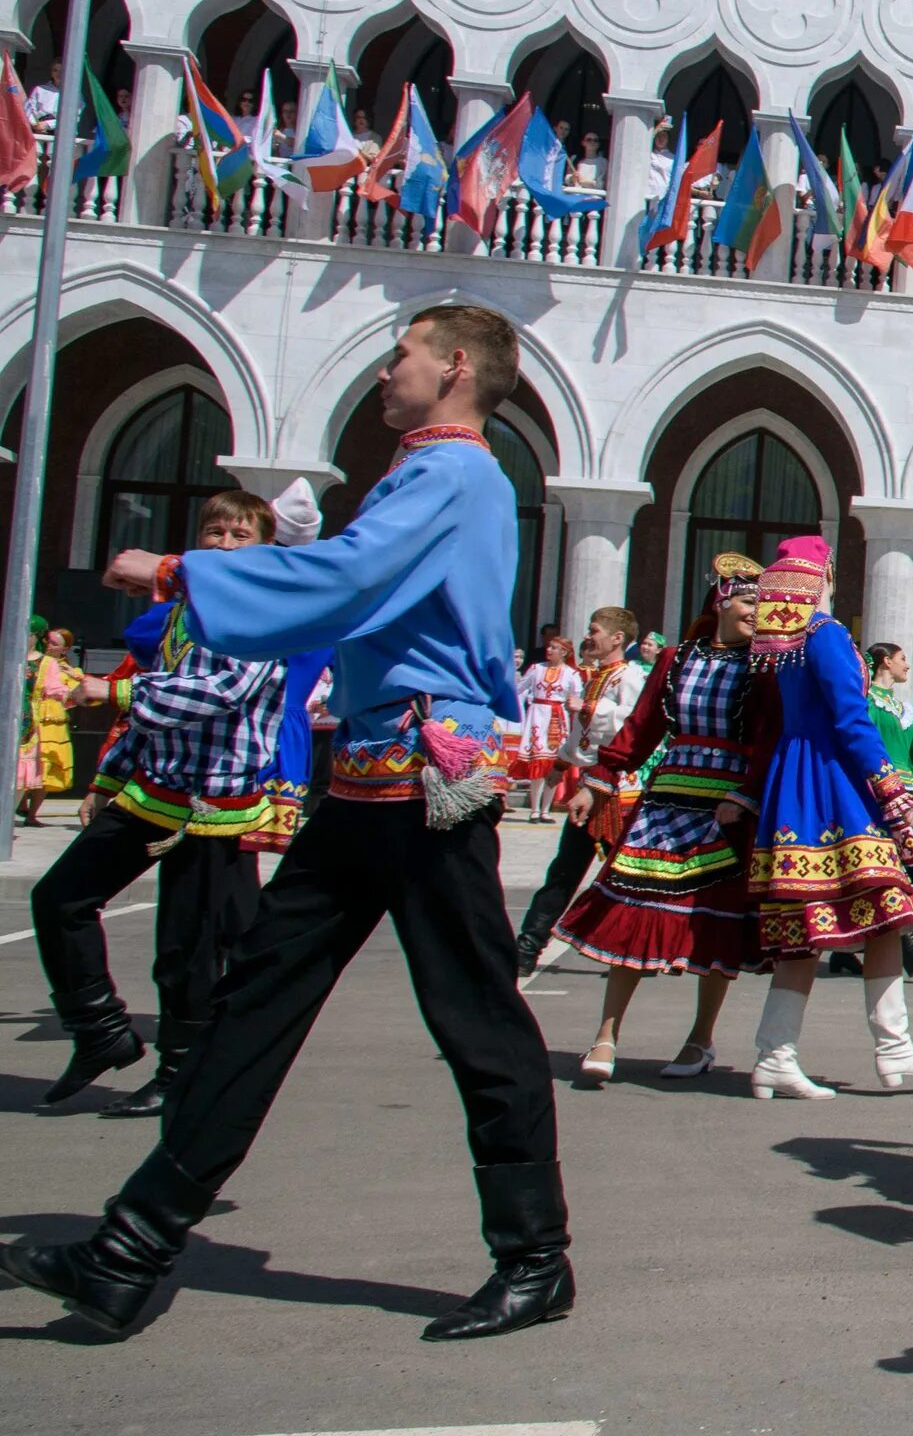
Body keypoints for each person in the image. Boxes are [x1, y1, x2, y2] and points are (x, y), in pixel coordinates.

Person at [1, 305, 572, 1342]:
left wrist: (184, 572)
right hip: (365, 778)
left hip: (420, 779)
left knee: (473, 1012)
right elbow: (340, 595)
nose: (385, 368)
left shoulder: (457, 473)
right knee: (255, 998)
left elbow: (339, 582)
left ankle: (535, 1257)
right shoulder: (423, 472)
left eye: (401, 353)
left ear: (451, 367)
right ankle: (131, 1249)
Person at [27, 491, 293, 1114]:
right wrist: (108, 779)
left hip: (214, 805)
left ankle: (181, 1072)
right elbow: (157, 717)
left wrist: (112, 692)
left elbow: (217, 692)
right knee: (59, 897)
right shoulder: (183, 609)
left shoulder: (262, 613)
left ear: (263, 547)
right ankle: (100, 1031)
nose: (224, 544)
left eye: (239, 535)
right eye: (214, 532)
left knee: (188, 948)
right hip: (155, 788)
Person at [734, 537, 913, 1099]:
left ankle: (779, 1053)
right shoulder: (826, 634)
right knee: (883, 906)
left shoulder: (781, 642)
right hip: (835, 782)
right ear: (824, 573)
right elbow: (851, 717)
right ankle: (887, 1046)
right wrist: (886, 782)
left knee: (810, 925)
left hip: (795, 781)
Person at [547, 557, 763, 1083]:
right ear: (721, 602)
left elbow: (768, 737)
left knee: (714, 921)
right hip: (666, 798)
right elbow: (641, 728)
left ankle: (700, 1038)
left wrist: (747, 793)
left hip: (725, 807)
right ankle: (605, 1035)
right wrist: (598, 784)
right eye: (749, 601)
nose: (759, 611)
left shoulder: (764, 667)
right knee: (634, 906)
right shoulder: (676, 658)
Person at [513, 606, 648, 979]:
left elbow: (637, 723)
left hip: (620, 790)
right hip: (589, 785)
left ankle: (635, 946)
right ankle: (527, 945)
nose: (589, 637)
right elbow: (581, 735)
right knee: (565, 869)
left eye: (595, 630)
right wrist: (560, 763)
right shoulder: (595, 676)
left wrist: (591, 707)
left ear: (617, 638)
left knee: (627, 872)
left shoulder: (630, 677)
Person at [20, 624, 88, 823]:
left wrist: (71, 675)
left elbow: (74, 694)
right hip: (35, 717)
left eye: (54, 643)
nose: (48, 645)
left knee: (47, 768)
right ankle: (21, 805)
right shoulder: (36, 662)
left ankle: (32, 814)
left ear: (64, 649)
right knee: (29, 763)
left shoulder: (68, 669)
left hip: (54, 722)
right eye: (47, 641)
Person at [514, 634, 584, 821]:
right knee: (537, 764)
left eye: (554, 647)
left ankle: (546, 810)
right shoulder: (536, 669)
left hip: (557, 718)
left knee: (553, 766)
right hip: (537, 716)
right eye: (549, 647)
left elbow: (577, 697)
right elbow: (520, 688)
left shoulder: (571, 673)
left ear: (564, 652)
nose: (549, 650)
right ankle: (534, 809)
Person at [865, 642, 913, 799]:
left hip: (907, 791)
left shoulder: (905, 710)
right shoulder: (868, 701)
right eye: (903, 659)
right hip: (875, 789)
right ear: (888, 661)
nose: (908, 666)